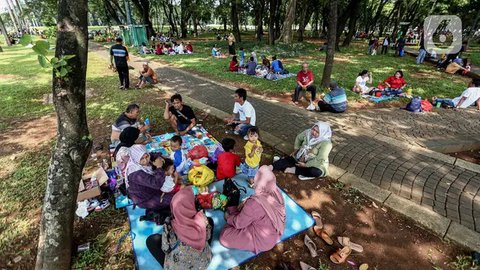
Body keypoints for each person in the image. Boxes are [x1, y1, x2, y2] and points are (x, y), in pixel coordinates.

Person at [219, 165, 285, 254]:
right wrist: (248, 200)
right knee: (246, 213)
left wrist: (228, 218)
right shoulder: (276, 192)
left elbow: (239, 223)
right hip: (273, 233)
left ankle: (233, 214)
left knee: (225, 236)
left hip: (262, 241)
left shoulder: (253, 204)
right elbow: (263, 202)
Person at [146, 187, 213, 269]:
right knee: (210, 222)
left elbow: (165, 248)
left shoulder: (170, 226)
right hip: (203, 263)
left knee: (151, 240)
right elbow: (208, 236)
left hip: (178, 267)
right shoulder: (202, 218)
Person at [126, 145, 173, 211]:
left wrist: (158, 157)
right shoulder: (136, 173)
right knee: (173, 198)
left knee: (173, 188)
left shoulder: (143, 157)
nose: (146, 160)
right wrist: (159, 167)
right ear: (135, 158)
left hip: (151, 189)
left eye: (147, 156)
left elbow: (153, 154)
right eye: (142, 159)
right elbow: (156, 184)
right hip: (145, 198)